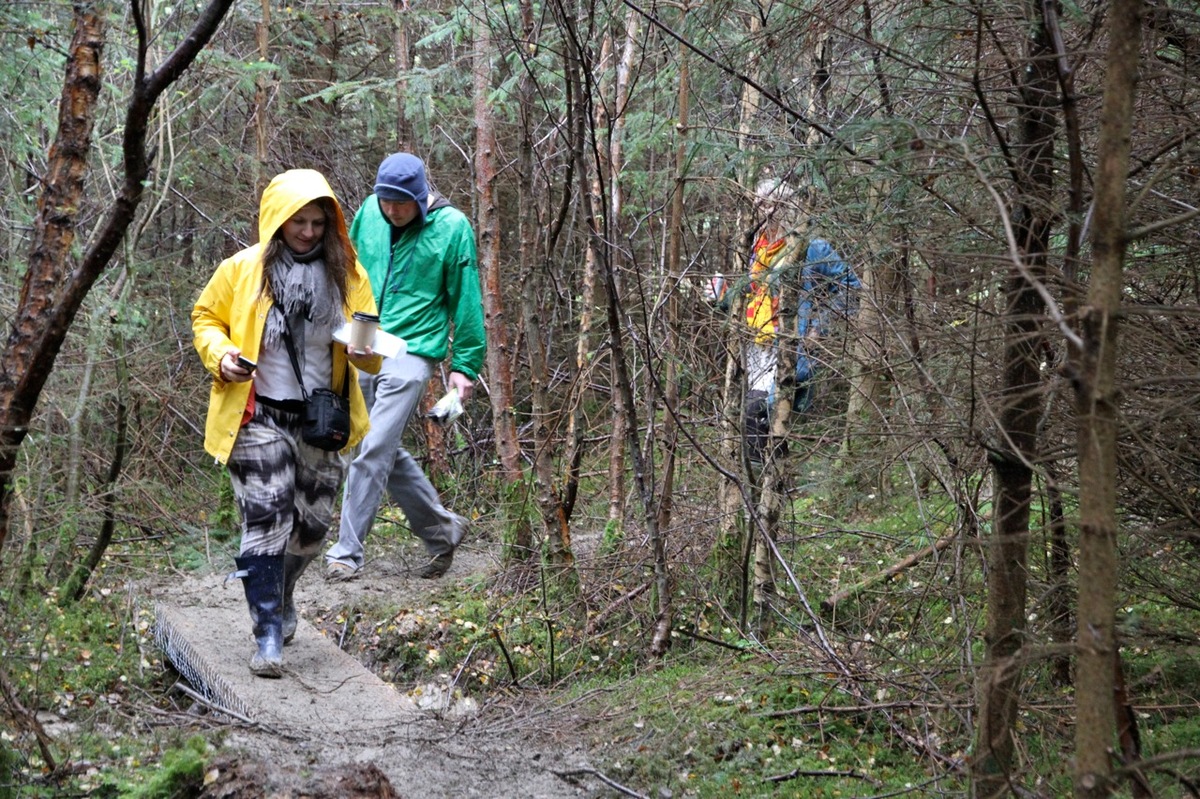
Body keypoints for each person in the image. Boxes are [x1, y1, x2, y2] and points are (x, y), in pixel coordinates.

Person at [192, 169, 382, 677]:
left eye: (318, 222)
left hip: (322, 418)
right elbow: (206, 318)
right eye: (298, 221)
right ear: (276, 220)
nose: (307, 232)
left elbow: (368, 348)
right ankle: (268, 633)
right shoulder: (242, 270)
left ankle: (282, 588)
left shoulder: (350, 276)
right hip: (255, 414)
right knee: (268, 513)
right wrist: (223, 355)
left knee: (312, 528)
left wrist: (366, 353)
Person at [324, 152, 485, 582]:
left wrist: (465, 366)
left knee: (372, 446)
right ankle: (443, 530)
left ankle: (346, 552)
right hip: (365, 339)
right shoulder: (369, 214)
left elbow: (467, 299)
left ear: (420, 196)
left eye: (401, 203)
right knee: (371, 442)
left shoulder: (453, 229)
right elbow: (350, 270)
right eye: (385, 202)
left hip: (414, 351)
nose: (391, 211)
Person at [712, 177, 860, 465]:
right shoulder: (758, 250)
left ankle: (769, 491)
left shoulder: (810, 246)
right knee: (755, 420)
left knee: (760, 412)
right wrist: (722, 298)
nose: (761, 210)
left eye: (768, 203)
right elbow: (752, 295)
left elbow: (850, 286)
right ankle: (769, 488)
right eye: (758, 203)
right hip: (757, 346)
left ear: (785, 206)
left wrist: (820, 327)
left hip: (789, 345)